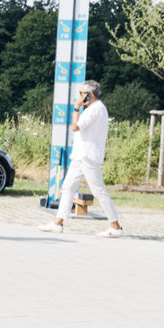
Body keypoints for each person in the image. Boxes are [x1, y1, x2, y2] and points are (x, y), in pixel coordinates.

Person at [40, 79, 123, 236]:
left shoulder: (95, 109)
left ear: (89, 95)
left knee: (99, 191)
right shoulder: (95, 108)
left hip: (88, 157)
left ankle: (115, 226)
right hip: (80, 155)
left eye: (81, 93)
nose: (79, 96)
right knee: (68, 188)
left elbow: (76, 126)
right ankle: (58, 223)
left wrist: (76, 108)